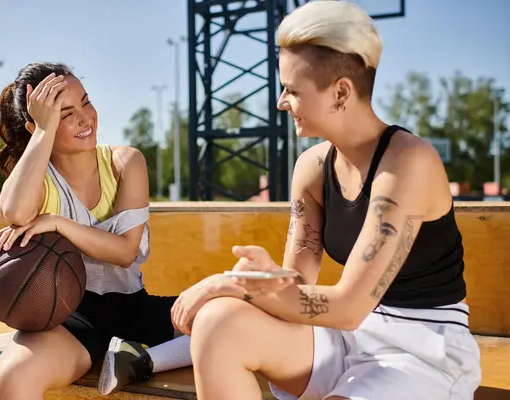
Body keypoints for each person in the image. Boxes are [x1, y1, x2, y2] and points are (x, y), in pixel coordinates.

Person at [168, 1, 482, 399]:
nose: (281, 101)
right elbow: (298, 285)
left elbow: (350, 306)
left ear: (341, 92)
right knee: (219, 323)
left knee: (223, 300)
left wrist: (231, 284)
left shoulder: (408, 162)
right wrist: (262, 280)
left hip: (421, 348)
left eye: (292, 90)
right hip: (348, 335)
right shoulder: (312, 166)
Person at [0, 62, 192, 400]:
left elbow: (125, 251)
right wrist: (42, 132)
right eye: (65, 114)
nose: (86, 118)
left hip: (133, 306)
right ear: (39, 124)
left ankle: (140, 361)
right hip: (71, 316)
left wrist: (59, 224)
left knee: (238, 318)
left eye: (86, 101)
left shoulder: (124, 162)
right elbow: (13, 211)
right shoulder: (40, 181)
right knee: (13, 376)